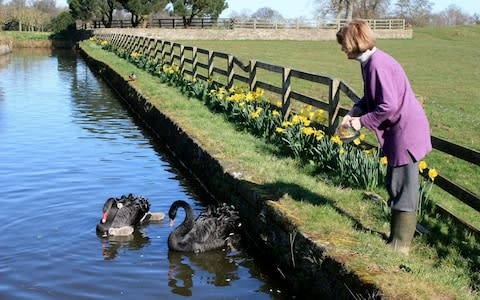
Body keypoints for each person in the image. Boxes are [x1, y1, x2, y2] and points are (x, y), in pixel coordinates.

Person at [336, 19, 432, 255]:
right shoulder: (369, 62)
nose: (341, 49)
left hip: (405, 131)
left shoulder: (377, 64)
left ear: (353, 42)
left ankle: (400, 245)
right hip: (400, 129)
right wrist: (354, 111)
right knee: (396, 182)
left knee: (403, 185)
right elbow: (372, 97)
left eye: (343, 44)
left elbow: (387, 106)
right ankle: (399, 236)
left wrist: (361, 121)